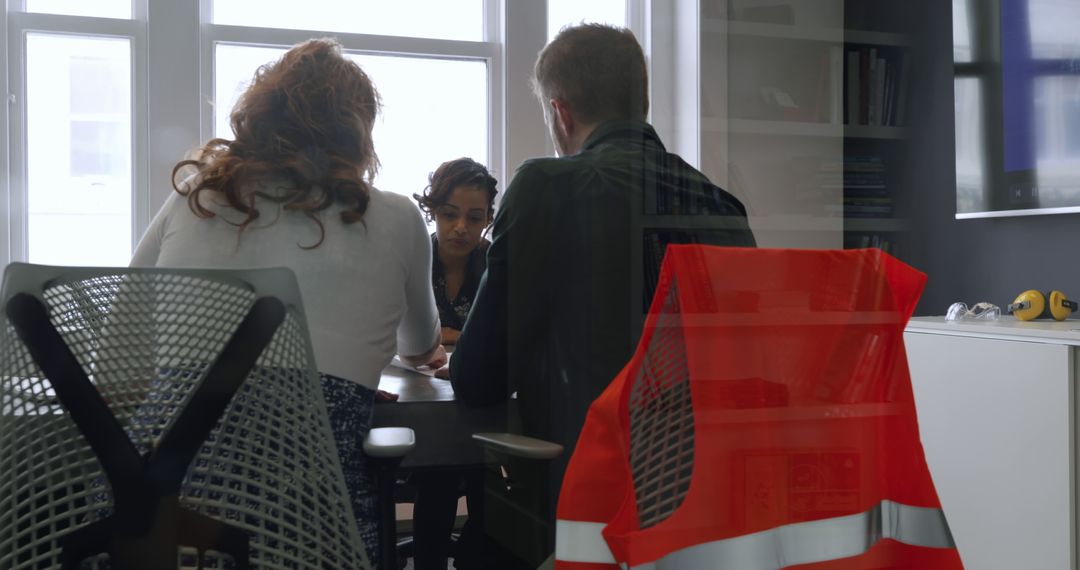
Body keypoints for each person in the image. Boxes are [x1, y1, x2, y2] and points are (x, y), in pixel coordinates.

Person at [448, 23, 756, 566]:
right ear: (642, 100)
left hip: (585, 504)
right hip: (703, 511)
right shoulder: (724, 207)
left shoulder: (549, 185)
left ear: (561, 113)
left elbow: (477, 378)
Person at [129, 38, 445, 568]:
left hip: (153, 518)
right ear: (359, 130)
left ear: (260, 115)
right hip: (309, 526)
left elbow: (123, 339)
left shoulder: (197, 198)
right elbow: (419, 348)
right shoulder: (396, 218)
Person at [414, 158, 498, 346]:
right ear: (433, 211)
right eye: (450, 214)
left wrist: (459, 337)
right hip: (410, 372)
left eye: (474, 218)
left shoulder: (497, 265)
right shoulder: (413, 260)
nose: (461, 227)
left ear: (488, 219)